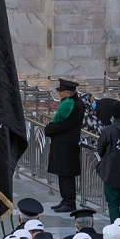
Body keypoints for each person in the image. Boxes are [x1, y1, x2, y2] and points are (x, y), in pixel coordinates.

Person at [45, 80, 88, 214]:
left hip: (67, 146)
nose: (58, 93)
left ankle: (70, 202)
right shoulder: (69, 103)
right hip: (63, 145)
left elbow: (64, 124)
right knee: (62, 173)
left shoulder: (74, 105)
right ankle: (65, 199)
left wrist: (49, 128)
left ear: (68, 93)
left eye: (61, 91)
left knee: (67, 174)